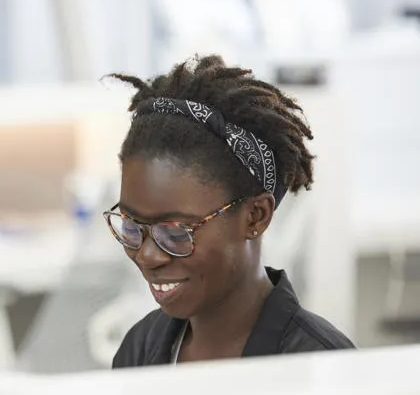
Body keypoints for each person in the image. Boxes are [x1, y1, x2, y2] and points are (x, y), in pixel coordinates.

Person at [105, 55, 354, 367]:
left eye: (174, 232)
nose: (146, 256)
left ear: (255, 217)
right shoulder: (140, 349)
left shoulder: (322, 365)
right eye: (131, 226)